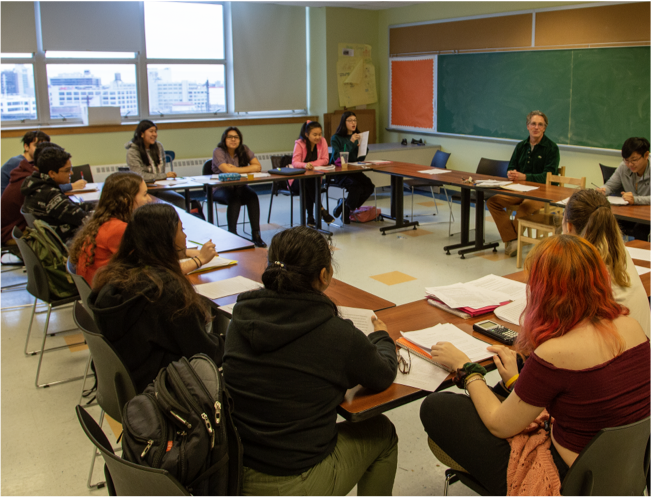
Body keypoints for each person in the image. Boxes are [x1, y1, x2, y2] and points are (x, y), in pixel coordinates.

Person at [420, 235, 651, 495]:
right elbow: (588, 398)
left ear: (545, 291)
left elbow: (500, 424)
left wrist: (466, 368)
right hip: (624, 471)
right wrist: (517, 382)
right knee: (501, 392)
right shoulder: (632, 327)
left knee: (437, 407)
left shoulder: (556, 352)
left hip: (573, 481)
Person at [223, 226, 399, 496]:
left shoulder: (240, 317)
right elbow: (383, 374)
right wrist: (382, 337)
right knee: (383, 433)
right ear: (324, 275)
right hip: (294, 481)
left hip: (234, 471)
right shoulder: (337, 334)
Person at [88, 203, 225, 393]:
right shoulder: (166, 291)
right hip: (163, 392)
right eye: (181, 230)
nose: (185, 236)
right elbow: (204, 353)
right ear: (166, 239)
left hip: (127, 386)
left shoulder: (113, 278)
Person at [69, 172, 218, 285]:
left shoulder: (104, 222)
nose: (149, 200)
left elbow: (149, 255)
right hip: (116, 303)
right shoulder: (119, 230)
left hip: (103, 295)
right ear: (127, 201)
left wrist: (188, 252)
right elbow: (160, 271)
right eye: (145, 194)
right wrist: (200, 259)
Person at [563, 188, 651, 338]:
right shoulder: (620, 252)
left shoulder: (582, 266)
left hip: (619, 353)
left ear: (569, 227)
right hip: (642, 351)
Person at [486, 111, 560, 256]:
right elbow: (511, 166)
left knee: (526, 206)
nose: (536, 127)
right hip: (518, 189)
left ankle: (513, 242)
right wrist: (510, 173)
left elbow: (549, 176)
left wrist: (525, 176)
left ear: (544, 128)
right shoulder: (521, 146)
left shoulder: (552, 148)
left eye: (540, 124)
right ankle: (513, 239)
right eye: (533, 124)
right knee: (492, 201)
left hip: (541, 192)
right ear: (527, 126)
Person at [21, 145, 90, 242]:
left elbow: (73, 208)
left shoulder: (36, 185)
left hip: (50, 242)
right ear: (52, 173)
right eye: (67, 170)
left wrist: (98, 205)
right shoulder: (50, 195)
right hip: (65, 245)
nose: (71, 173)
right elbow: (84, 219)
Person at [212, 127, 267, 247]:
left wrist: (235, 170)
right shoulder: (218, 151)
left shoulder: (244, 149)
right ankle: (232, 234)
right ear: (224, 139)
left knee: (252, 196)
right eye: (230, 137)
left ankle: (256, 235)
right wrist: (246, 169)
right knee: (234, 199)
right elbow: (226, 170)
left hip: (240, 186)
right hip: (221, 188)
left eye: (236, 137)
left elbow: (257, 166)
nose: (233, 139)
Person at [0, 142, 59, 245]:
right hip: (11, 234)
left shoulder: (26, 173)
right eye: (67, 170)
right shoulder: (31, 183)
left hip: (11, 230)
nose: (71, 173)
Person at [597, 137, 651, 241]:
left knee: (640, 229)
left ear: (646, 155)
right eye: (626, 160)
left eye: (634, 160)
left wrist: (636, 200)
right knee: (605, 221)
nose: (630, 164)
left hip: (647, 216)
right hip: (630, 213)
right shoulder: (623, 167)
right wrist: (603, 190)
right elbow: (610, 185)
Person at [125, 120, 185, 209]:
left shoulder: (158, 146)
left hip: (159, 188)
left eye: (155, 131)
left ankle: (176, 222)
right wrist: (164, 175)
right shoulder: (133, 151)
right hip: (143, 191)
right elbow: (140, 175)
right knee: (156, 204)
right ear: (142, 134)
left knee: (179, 200)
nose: (154, 134)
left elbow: (161, 171)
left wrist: (163, 176)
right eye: (151, 131)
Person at [330, 112, 375, 223]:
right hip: (340, 172)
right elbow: (339, 157)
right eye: (350, 120)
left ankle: (345, 207)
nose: (353, 123)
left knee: (369, 186)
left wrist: (363, 147)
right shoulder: (336, 138)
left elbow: (360, 158)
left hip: (354, 170)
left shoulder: (358, 135)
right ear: (344, 122)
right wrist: (351, 142)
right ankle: (347, 208)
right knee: (356, 187)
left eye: (355, 120)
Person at [291, 121, 335, 226]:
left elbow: (325, 160)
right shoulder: (299, 143)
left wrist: (311, 164)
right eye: (314, 135)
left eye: (319, 134)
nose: (318, 137)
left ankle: (310, 218)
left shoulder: (322, 141)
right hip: (296, 181)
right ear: (306, 134)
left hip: (312, 180)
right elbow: (295, 162)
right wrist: (305, 165)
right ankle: (321, 209)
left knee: (310, 181)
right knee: (308, 180)